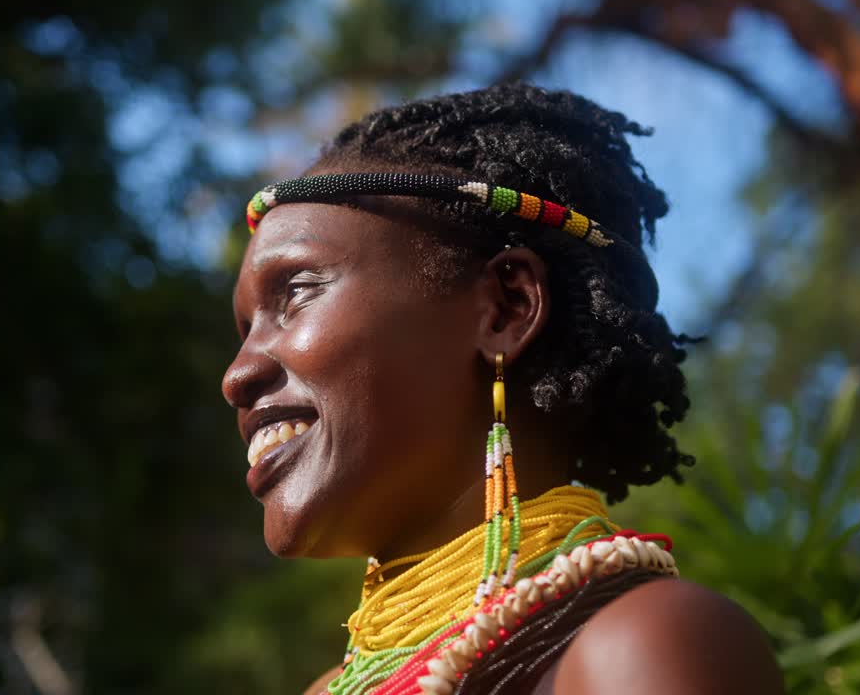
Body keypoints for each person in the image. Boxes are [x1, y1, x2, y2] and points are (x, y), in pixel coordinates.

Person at [222, 83, 783, 694]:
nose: (237, 374)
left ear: (505, 309)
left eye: (297, 293)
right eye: (247, 328)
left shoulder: (640, 650)